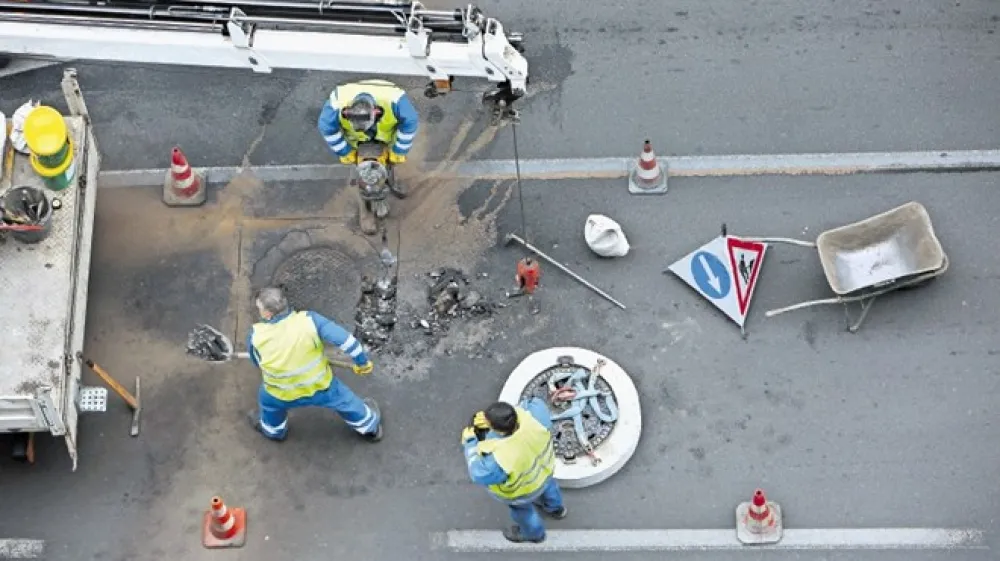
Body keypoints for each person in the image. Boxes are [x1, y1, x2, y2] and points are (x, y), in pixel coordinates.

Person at [245, 286, 383, 443]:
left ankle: (274, 432)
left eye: (260, 309)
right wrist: (362, 363)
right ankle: (370, 428)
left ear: (268, 314)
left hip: (279, 393)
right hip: (320, 386)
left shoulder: (256, 335)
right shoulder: (309, 320)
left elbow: (257, 362)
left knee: (269, 406)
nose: (259, 312)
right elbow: (347, 341)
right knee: (344, 400)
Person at [317, 79, 420, 235]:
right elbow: (326, 127)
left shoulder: (395, 99)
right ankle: (365, 210)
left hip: (385, 138)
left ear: (376, 113)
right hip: (357, 143)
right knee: (363, 178)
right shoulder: (338, 101)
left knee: (390, 164)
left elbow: (410, 122)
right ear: (347, 112)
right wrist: (345, 152)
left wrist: (399, 151)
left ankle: (391, 181)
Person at [461, 399, 568, 543]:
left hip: (522, 491)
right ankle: (556, 509)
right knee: (550, 489)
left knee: (524, 512)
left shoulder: (500, 458)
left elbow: (478, 473)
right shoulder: (535, 417)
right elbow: (529, 403)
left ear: (496, 430)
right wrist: (501, 416)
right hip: (545, 472)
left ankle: (535, 535)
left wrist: (470, 443)